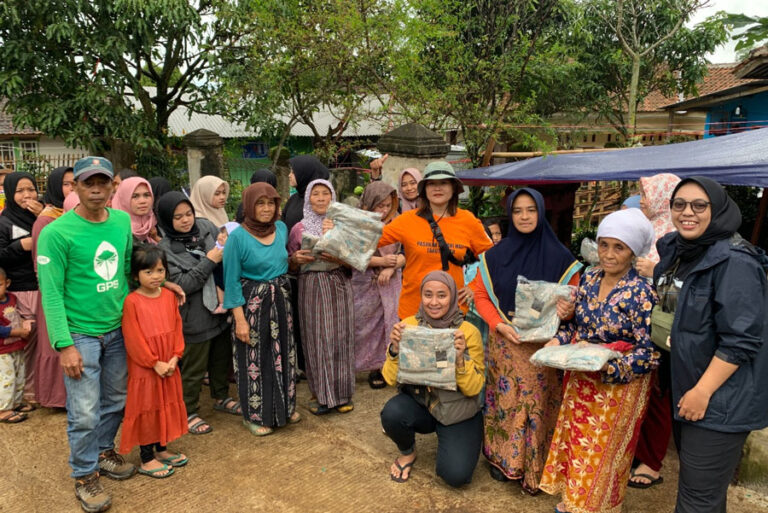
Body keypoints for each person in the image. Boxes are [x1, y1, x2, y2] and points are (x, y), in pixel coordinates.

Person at [654, 177, 768, 513]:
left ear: (716, 209)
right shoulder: (679, 251)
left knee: (697, 501)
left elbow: (741, 339)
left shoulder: (735, 262)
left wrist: (702, 392)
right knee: (700, 494)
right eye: (680, 204)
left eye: (699, 205)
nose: (687, 212)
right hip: (685, 385)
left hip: (720, 398)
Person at [539, 208, 659, 513]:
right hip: (582, 377)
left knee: (603, 453)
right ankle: (573, 502)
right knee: (577, 443)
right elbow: (575, 326)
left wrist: (612, 366)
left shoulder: (643, 292)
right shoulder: (589, 277)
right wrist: (558, 341)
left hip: (619, 387)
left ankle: (596, 507)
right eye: (604, 244)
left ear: (634, 251)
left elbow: (651, 352)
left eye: (619, 247)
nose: (608, 254)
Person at [37, 156, 138, 512]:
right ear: (75, 187)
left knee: (115, 399)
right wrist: (64, 345)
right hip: (79, 333)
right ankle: (84, 475)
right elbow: (50, 292)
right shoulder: (56, 233)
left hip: (117, 330)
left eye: (103, 183)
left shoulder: (123, 221)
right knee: (83, 411)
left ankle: (103, 450)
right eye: (87, 183)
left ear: (113, 186)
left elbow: (126, 270)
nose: (96, 189)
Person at [471, 188, 581, 493]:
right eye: (517, 210)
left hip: (541, 349)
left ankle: (535, 467)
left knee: (536, 406)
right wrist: (497, 325)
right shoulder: (495, 255)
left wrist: (568, 309)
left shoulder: (561, 257)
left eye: (530, 210)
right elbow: (481, 295)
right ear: (510, 214)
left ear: (541, 211)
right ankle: (503, 460)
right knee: (505, 403)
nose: (524, 216)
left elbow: (573, 301)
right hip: (505, 343)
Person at [381, 271, 485, 487]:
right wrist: (394, 349)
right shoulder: (409, 326)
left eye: (442, 295)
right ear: (421, 296)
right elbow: (390, 379)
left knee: (456, 476)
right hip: (423, 405)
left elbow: (474, 387)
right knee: (392, 413)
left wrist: (459, 360)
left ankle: (460, 437)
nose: (434, 302)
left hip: (458, 412)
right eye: (428, 295)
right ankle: (408, 452)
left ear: (453, 297)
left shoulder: (467, 332)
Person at [224, 183, 300, 436]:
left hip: (280, 301)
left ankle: (285, 408)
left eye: (271, 203)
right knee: (254, 360)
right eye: (260, 203)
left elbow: (281, 262)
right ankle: (255, 415)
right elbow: (231, 281)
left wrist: (296, 261)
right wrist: (240, 320)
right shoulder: (237, 238)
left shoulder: (281, 228)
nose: (267, 209)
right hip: (252, 306)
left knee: (284, 355)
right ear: (249, 206)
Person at [156, 192, 234, 436]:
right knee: (193, 367)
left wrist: (225, 241)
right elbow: (184, 285)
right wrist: (210, 260)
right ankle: (188, 410)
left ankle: (221, 397)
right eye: (177, 217)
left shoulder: (205, 227)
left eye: (188, 213)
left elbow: (225, 246)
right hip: (194, 315)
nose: (185, 220)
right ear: (167, 220)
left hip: (220, 310)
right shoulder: (165, 249)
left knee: (221, 358)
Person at [378, 161, 493, 320]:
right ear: (424, 190)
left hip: (453, 311)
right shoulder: (407, 220)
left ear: (453, 188)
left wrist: (474, 286)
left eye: (444, 183)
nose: (437, 188)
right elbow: (373, 239)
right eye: (431, 184)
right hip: (413, 311)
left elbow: (493, 256)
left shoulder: (468, 220)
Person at [629, 172, 681, 489]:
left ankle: (651, 463)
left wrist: (656, 271)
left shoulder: (679, 241)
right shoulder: (649, 233)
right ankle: (637, 452)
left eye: (647, 195)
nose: (642, 200)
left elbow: (676, 300)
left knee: (659, 398)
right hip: (635, 330)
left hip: (660, 335)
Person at [119, 245, 188, 478]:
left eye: (160, 270)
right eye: (148, 272)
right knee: (147, 407)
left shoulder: (169, 296)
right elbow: (133, 338)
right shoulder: (132, 302)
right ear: (135, 274)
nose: (156, 276)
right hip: (146, 368)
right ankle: (146, 457)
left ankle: (162, 449)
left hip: (168, 363)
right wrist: (153, 362)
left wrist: (175, 356)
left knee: (165, 404)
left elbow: (178, 327)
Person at [288, 179, 355, 415]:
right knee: (316, 339)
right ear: (307, 198)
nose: (320, 198)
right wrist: (296, 259)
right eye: (315, 194)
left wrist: (339, 257)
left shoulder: (343, 225)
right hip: (311, 287)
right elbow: (289, 264)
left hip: (338, 283)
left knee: (341, 338)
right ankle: (321, 394)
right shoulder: (298, 228)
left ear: (333, 197)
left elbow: (356, 260)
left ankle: (343, 394)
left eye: (325, 193)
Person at [351, 181, 404, 389]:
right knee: (365, 326)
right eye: (378, 205)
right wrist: (381, 262)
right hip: (364, 281)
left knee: (389, 323)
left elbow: (407, 250)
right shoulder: (358, 223)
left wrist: (392, 267)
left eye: (387, 205)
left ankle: (384, 367)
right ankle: (366, 364)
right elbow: (353, 255)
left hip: (392, 281)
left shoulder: (400, 221)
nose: (383, 210)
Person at [31, 167, 75, 409]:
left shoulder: (71, 218)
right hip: (53, 289)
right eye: (67, 184)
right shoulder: (46, 220)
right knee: (56, 342)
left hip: (73, 292)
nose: (72, 189)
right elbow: (40, 265)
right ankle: (57, 397)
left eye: (75, 183)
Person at [0, 171, 43, 408]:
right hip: (21, 288)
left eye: (31, 189)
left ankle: (41, 387)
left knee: (44, 340)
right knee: (28, 338)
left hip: (43, 286)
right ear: (9, 193)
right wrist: (20, 246)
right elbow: (0, 255)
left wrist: (42, 216)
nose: (27, 195)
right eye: (20, 191)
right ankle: (27, 392)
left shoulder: (42, 214)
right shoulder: (4, 221)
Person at [0, 266, 34, 423]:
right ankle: (4, 410)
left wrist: (25, 323)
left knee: (20, 375)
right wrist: (16, 332)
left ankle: (16, 403)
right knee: (7, 379)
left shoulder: (12, 298)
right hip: (2, 350)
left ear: (7, 283)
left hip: (16, 346)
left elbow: (18, 315)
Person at [282, 155, 331, 233]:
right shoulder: (294, 198)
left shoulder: (322, 202)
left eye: (293, 172)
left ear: (305, 174)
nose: (289, 175)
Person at [111, 176, 161, 244]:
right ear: (124, 199)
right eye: (135, 196)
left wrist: (156, 238)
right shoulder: (114, 227)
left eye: (146, 195)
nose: (142, 201)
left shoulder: (152, 223)